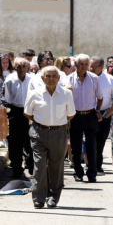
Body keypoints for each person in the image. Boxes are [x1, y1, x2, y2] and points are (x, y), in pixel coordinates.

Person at [24, 66, 76, 208]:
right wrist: (42, 121)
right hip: (38, 133)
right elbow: (28, 113)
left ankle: (53, 197)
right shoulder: (34, 94)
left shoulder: (66, 94)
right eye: (48, 76)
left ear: (59, 78)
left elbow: (70, 114)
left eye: (54, 76)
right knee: (39, 166)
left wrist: (56, 123)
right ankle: (39, 198)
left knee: (56, 166)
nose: (51, 78)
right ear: (42, 78)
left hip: (59, 133)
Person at [68, 54, 103, 183]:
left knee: (91, 145)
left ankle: (92, 173)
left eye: (85, 64)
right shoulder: (68, 79)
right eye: (81, 64)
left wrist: (98, 111)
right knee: (75, 146)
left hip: (90, 115)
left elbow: (100, 97)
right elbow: (66, 100)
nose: (83, 67)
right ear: (76, 65)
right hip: (75, 116)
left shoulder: (94, 78)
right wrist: (67, 118)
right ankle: (78, 172)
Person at [90, 56, 113, 174]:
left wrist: (110, 112)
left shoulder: (110, 79)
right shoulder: (86, 78)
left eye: (94, 66)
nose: (91, 69)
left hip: (104, 114)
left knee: (101, 141)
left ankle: (97, 164)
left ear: (101, 67)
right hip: (89, 113)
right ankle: (90, 164)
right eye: (90, 66)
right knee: (90, 140)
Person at [4, 57, 33, 178]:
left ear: (27, 67)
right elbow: (6, 97)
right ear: (15, 67)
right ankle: (16, 169)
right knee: (15, 142)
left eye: (23, 66)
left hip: (30, 111)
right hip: (15, 111)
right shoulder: (10, 79)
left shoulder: (33, 79)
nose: (21, 69)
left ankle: (32, 167)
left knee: (30, 141)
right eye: (18, 67)